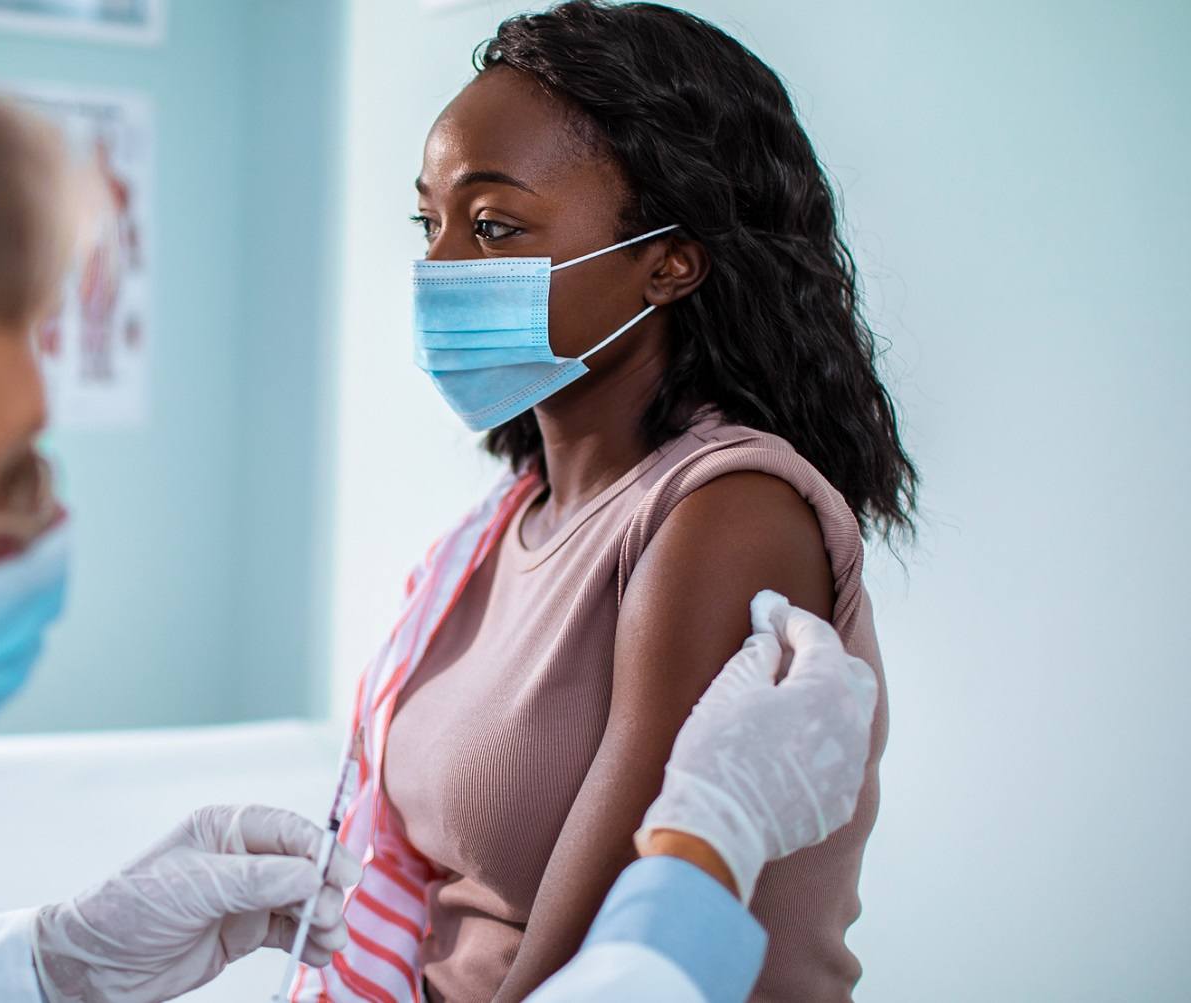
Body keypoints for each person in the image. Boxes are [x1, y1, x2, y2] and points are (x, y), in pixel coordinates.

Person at [0, 26, 879, 1003]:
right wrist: (702, 852)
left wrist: (54, 960)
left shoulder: (718, 504)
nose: (45, 531)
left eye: (494, 225)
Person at [304, 3, 918, 1002]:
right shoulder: (501, 527)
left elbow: (598, 962)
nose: (438, 266)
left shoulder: (727, 516)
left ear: (669, 261)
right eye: (431, 221)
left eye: (493, 225)